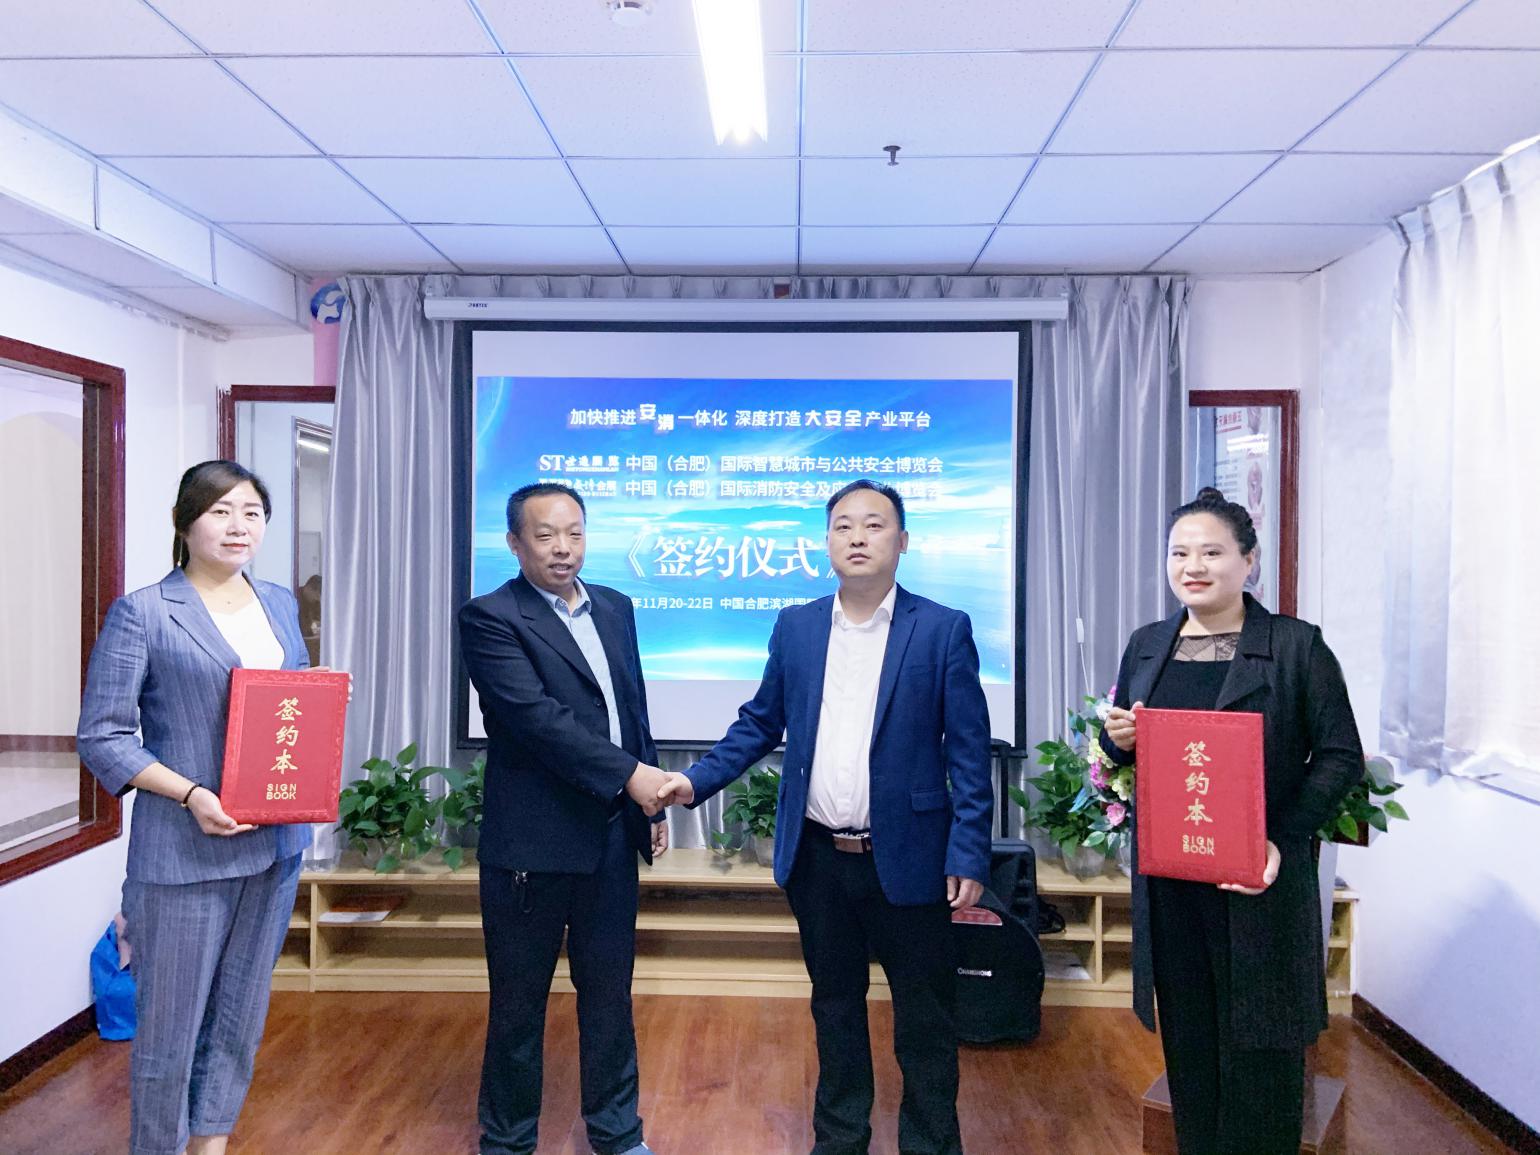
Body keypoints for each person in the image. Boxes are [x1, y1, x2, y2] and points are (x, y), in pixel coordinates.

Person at [657, 479, 993, 1155]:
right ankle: (839, 1140)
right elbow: (760, 722)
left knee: (925, 1019)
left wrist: (967, 850)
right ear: (826, 541)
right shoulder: (798, 626)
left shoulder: (942, 628)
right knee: (834, 1008)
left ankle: (931, 1144)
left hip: (912, 858)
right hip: (818, 861)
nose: (858, 536)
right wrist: (693, 781)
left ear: (903, 540)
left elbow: (968, 749)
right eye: (843, 525)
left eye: (874, 524)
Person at [1099, 487, 1363, 1155]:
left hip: (1258, 887)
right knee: (1191, 1055)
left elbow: (1340, 756)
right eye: (1179, 553)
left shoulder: (1295, 646)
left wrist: (1280, 839)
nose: (1193, 566)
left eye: (1212, 552)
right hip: (1173, 886)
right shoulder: (1147, 645)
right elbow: (1128, 746)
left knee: (1261, 1059)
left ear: (1248, 561)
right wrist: (1116, 740)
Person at [76, 460, 314, 1155]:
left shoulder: (277, 601)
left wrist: (321, 698)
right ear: (184, 523)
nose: (239, 526)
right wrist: (190, 792)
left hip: (274, 846)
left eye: (252, 512)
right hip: (185, 851)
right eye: (220, 511)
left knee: (239, 1016)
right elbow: (103, 734)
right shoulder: (146, 611)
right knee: (170, 1031)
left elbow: (288, 698)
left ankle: (211, 1142)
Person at [458, 481, 668, 1155]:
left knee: (609, 997)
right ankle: (508, 1140)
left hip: (610, 836)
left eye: (574, 533)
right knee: (518, 1005)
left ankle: (618, 1132)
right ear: (514, 542)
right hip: (533, 843)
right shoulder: (491, 616)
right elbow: (537, 721)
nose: (562, 547)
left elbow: (631, 709)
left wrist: (648, 800)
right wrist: (632, 776)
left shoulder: (615, 606)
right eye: (545, 534)